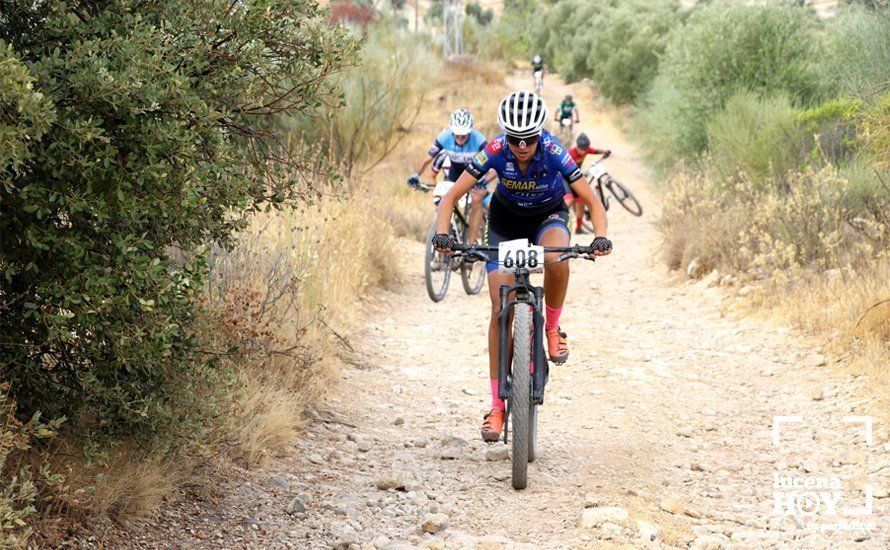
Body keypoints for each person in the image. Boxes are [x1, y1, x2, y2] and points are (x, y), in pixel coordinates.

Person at [431, 91, 612, 442]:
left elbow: (591, 201)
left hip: (547, 217)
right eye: (515, 138)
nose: (522, 145)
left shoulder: (555, 151)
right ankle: (497, 407)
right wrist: (443, 235)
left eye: (529, 138)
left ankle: (552, 329)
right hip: (505, 224)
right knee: (501, 308)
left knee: (557, 253)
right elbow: (452, 196)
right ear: (506, 135)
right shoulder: (496, 150)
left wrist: (600, 236)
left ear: (539, 134)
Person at [407, 108, 488, 243]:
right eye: (457, 135)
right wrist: (416, 174)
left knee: (476, 202)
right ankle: (450, 230)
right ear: (451, 130)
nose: (460, 138)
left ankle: (472, 244)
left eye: (464, 135)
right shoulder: (444, 137)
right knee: (445, 199)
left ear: (470, 131)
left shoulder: (479, 139)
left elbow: (491, 163)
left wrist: (484, 180)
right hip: (454, 176)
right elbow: (428, 159)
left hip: (476, 177)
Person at [566, 133, 611, 234]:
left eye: (585, 150)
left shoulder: (586, 150)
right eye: (581, 149)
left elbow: (595, 151)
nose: (583, 152)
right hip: (565, 179)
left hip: (575, 178)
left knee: (581, 201)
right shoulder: (570, 154)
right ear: (577, 146)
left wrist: (605, 151)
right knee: (570, 200)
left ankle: (578, 228)